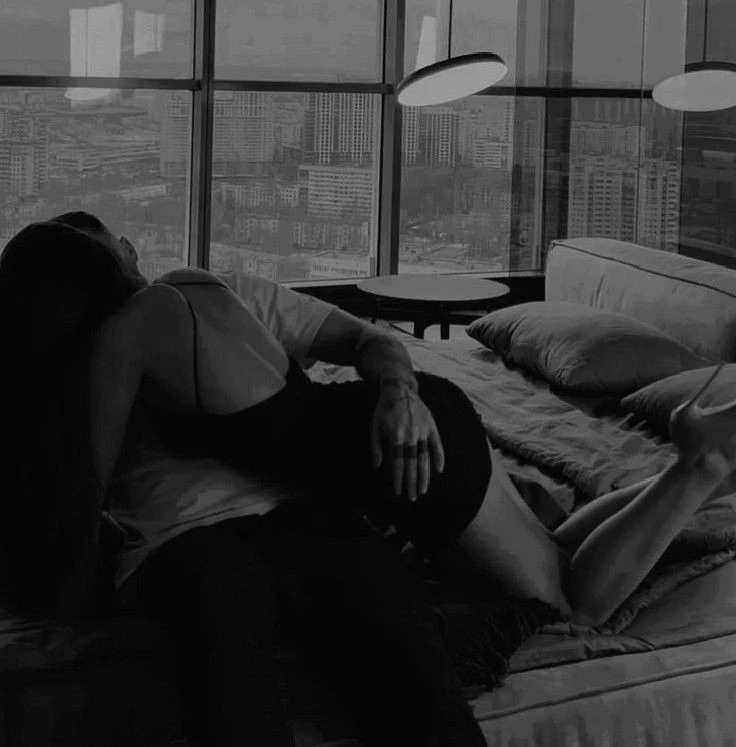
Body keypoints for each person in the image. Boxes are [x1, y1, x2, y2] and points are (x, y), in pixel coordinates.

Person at [0, 213, 733, 746]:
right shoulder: (167, 311)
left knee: (572, 600)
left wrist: (399, 393)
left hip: (404, 450)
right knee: (548, 557)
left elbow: (84, 493)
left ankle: (697, 465)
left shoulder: (157, 320)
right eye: (112, 248)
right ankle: (681, 472)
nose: (131, 252)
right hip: (399, 449)